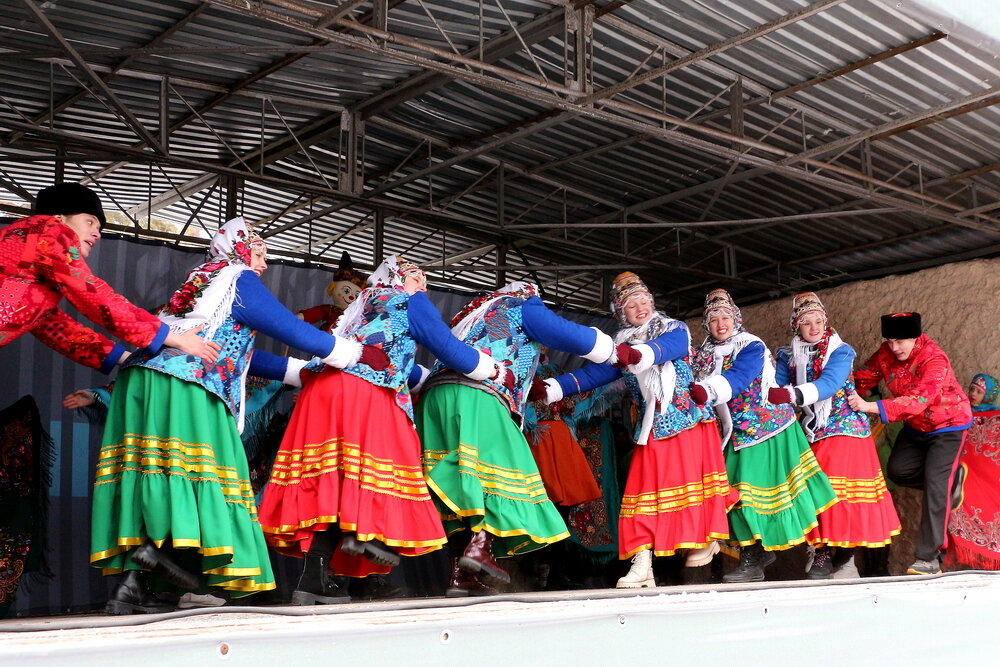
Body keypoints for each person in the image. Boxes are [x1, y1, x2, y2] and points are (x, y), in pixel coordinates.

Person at [90, 217, 387, 614]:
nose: (263, 264)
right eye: (260, 253)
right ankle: (160, 578)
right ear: (240, 251)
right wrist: (354, 355)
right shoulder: (237, 279)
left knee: (158, 477)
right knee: (200, 479)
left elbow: (241, 354)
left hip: (141, 383)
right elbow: (292, 331)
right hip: (187, 385)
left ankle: (137, 585)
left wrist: (304, 374)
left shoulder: (194, 287)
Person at [258, 255, 505, 605]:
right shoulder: (410, 302)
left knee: (335, 485)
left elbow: (397, 360)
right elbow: (450, 349)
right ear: (405, 279)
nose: (424, 287)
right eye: (420, 279)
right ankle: (366, 537)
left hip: (321, 393)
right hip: (364, 394)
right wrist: (491, 371)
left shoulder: (363, 308)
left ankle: (317, 580)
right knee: (388, 474)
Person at [533, 272, 738, 589]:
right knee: (639, 499)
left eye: (644, 301)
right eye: (630, 305)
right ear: (620, 313)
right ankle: (643, 565)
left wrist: (638, 354)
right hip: (652, 430)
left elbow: (672, 347)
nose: (640, 308)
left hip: (690, 423)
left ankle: (706, 537)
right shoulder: (618, 347)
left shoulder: (673, 329)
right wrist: (550, 389)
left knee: (693, 490)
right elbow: (594, 376)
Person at [418, 281, 621, 597]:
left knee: (462, 482)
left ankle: (460, 574)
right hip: (478, 394)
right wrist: (612, 349)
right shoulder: (521, 305)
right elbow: (565, 332)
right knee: (510, 477)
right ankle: (480, 548)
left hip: (436, 397)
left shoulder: (470, 316)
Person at [690, 289, 837, 583]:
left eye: (726, 317)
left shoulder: (750, 346)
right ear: (707, 325)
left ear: (737, 319)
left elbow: (739, 377)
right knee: (737, 498)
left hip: (768, 430)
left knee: (787, 496)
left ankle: (825, 555)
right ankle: (753, 557)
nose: (721, 324)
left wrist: (708, 390)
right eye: (715, 319)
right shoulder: (704, 354)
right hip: (736, 434)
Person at [0, 182, 217, 370]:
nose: (97, 233)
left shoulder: (30, 274)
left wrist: (130, 360)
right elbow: (93, 295)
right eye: (89, 221)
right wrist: (174, 339)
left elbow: (61, 331)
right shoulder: (49, 229)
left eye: (99, 226)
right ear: (59, 217)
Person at [770, 293, 900, 579]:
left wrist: (791, 394)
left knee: (837, 495)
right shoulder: (788, 355)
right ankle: (818, 553)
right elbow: (775, 388)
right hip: (813, 431)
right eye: (806, 323)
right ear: (796, 326)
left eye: (819, 321)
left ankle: (833, 556)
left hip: (844, 430)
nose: (814, 328)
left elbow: (828, 384)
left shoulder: (841, 352)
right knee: (812, 492)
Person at [850, 312, 972, 575]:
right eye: (891, 340)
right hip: (916, 427)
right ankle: (951, 481)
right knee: (898, 471)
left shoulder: (934, 358)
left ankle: (929, 559)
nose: (895, 347)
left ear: (916, 337)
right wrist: (836, 389)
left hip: (949, 425)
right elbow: (864, 378)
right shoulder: (886, 353)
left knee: (936, 488)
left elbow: (918, 400)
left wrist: (870, 406)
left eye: (901, 341)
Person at [946, 373, 1000, 570]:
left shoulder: (995, 418)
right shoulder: (960, 412)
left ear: (989, 396)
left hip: (986, 478)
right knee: (956, 513)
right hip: (964, 476)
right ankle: (967, 564)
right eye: (972, 389)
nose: (973, 394)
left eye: (979, 391)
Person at [297, 251, 366, 332]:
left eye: (357, 295)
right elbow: (314, 314)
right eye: (346, 291)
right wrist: (297, 319)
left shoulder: (358, 314)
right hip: (327, 340)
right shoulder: (331, 310)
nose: (351, 296)